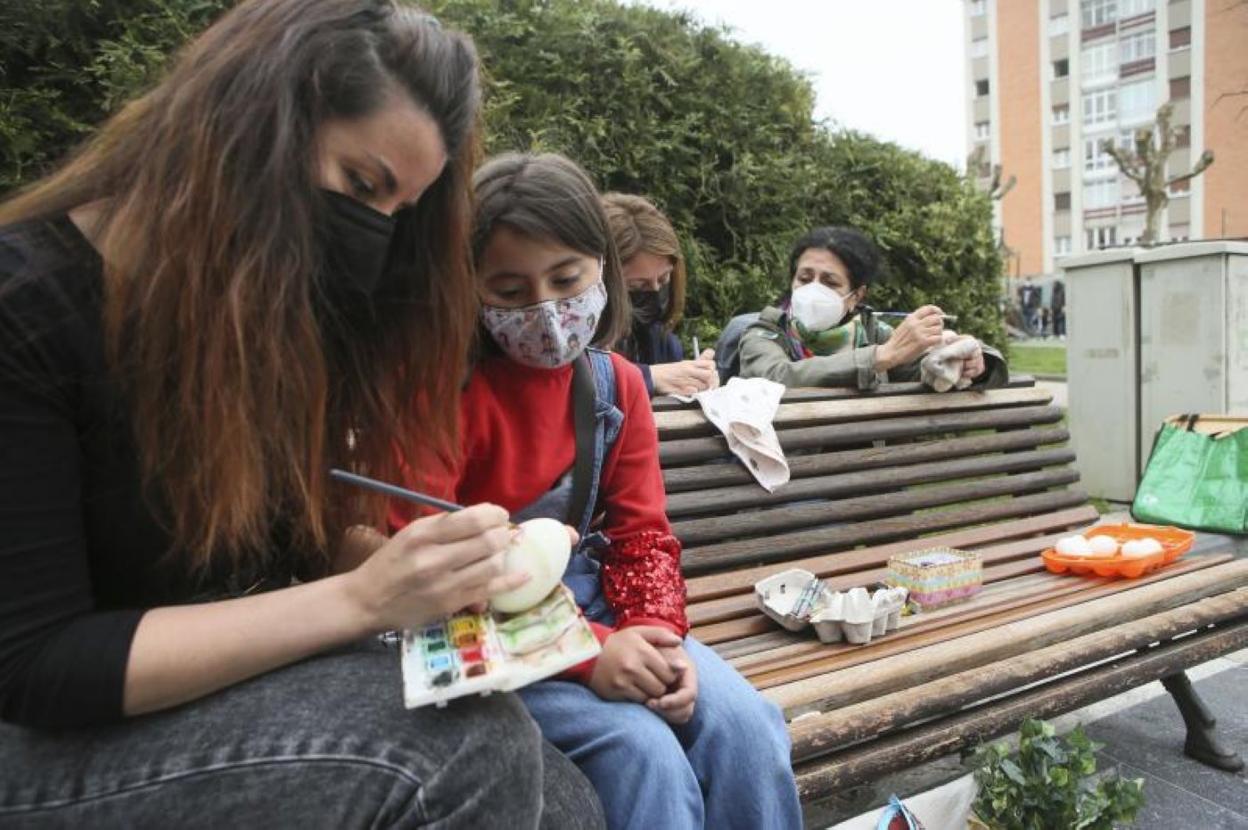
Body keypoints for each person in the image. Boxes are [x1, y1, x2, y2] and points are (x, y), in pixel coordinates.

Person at [0, 2, 602, 826]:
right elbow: (35, 664)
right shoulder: (24, 307)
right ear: (248, 122)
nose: (371, 233)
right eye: (363, 186)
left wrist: (421, 572)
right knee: (463, 751)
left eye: (399, 213)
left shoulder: (247, 320)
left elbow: (287, 544)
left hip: (178, 701)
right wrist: (364, 600)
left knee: (565, 799)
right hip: (35, 733)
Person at [392, 152, 802, 830]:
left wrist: (655, 643)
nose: (547, 311)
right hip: (485, 634)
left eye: (566, 278)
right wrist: (590, 657)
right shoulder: (436, 395)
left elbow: (643, 538)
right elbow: (440, 578)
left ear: (602, 270)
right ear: (469, 289)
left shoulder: (618, 386)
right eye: (510, 289)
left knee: (747, 730)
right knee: (643, 755)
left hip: (607, 615)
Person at [737, 226, 1007, 390]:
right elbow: (776, 378)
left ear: (856, 296)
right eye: (805, 279)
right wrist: (879, 357)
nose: (813, 290)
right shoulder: (765, 332)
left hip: (871, 471)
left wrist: (971, 362)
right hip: (790, 474)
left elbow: (924, 368)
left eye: (830, 282)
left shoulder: (871, 333)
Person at [601, 193, 717, 398]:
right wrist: (649, 377)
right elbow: (570, 385)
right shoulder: (573, 340)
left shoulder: (663, 344)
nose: (654, 292)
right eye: (636, 286)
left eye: (663, 280)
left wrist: (696, 380)